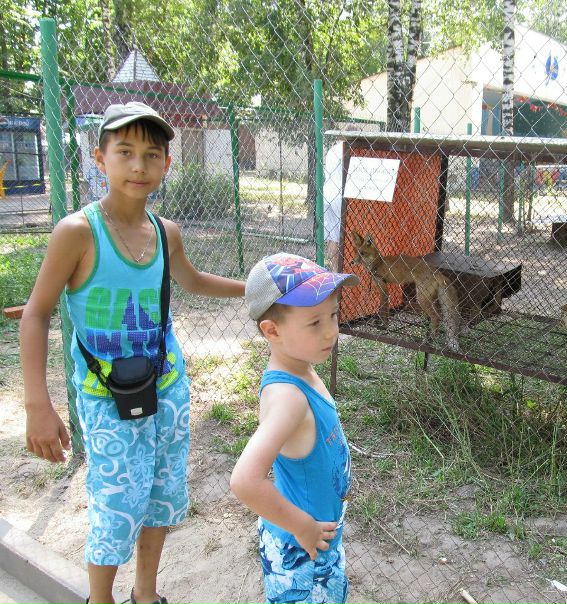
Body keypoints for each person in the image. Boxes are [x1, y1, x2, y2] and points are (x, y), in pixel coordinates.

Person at [20, 101, 245, 604]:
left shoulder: (166, 234)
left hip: (167, 388)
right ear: (99, 159)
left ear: (168, 163)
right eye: (125, 152)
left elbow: (192, 281)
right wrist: (38, 403)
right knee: (118, 503)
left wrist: (254, 290)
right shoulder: (78, 232)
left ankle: (146, 596)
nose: (139, 165)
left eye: (152, 153)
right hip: (104, 398)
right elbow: (36, 314)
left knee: (161, 498)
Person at [230, 252, 358, 604]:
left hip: (318, 539)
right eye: (314, 322)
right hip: (301, 554)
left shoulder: (302, 365)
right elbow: (244, 481)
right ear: (272, 331)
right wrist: (303, 526)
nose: (331, 330)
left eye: (333, 314)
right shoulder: (288, 398)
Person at [323, 141, 344, 270]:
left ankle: (334, 269)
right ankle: (340, 270)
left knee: (332, 235)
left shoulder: (332, 150)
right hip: (340, 195)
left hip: (327, 193)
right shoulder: (349, 149)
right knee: (339, 235)